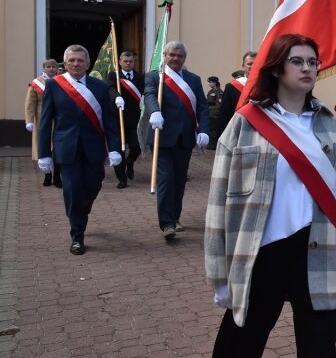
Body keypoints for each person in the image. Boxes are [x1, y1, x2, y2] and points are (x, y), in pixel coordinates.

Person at [205, 33, 336, 358]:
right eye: (297, 61)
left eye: (312, 62)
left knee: (320, 346)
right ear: (276, 68)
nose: (308, 68)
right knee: (245, 333)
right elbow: (218, 202)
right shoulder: (246, 122)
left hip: (316, 247)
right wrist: (219, 275)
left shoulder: (326, 122)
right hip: (262, 249)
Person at [37, 45, 122, 255]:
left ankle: (81, 214)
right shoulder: (55, 86)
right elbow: (46, 122)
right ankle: (77, 235)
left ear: (87, 63)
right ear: (65, 63)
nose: (76, 64)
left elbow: (110, 121)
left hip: (94, 148)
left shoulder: (100, 87)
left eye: (80, 60)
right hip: (67, 148)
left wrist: (115, 149)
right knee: (72, 190)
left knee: (93, 186)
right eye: (72, 60)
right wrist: (44, 154)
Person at [144, 40, 210, 239]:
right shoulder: (154, 77)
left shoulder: (193, 79)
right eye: (171, 55)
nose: (175, 58)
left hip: (184, 138)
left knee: (179, 180)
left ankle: (175, 216)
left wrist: (204, 130)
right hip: (162, 135)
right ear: (164, 56)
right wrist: (154, 111)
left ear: (184, 58)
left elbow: (202, 107)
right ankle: (167, 224)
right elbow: (149, 95)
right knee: (166, 180)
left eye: (179, 56)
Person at [107, 51, 145, 189]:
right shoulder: (114, 75)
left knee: (137, 147)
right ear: (120, 62)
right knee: (119, 149)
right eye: (125, 61)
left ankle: (129, 163)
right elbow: (110, 88)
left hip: (135, 120)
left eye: (131, 61)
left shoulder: (141, 76)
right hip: (118, 119)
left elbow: (145, 92)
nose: (128, 63)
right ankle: (122, 179)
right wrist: (116, 96)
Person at [25, 58, 59, 186]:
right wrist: (29, 120)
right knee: (44, 147)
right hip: (42, 121)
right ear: (43, 69)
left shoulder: (61, 81)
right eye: (48, 67)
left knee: (58, 148)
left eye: (54, 67)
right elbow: (30, 104)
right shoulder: (36, 83)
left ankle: (57, 176)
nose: (51, 69)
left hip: (58, 119)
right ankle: (47, 175)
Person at [217, 51, 256, 136]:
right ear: (243, 66)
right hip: (238, 132)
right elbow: (224, 116)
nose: (253, 66)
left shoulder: (267, 86)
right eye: (249, 64)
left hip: (260, 133)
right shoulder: (232, 87)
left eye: (256, 63)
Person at [206, 76, 223, 150]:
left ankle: (213, 145)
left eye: (210, 82)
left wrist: (210, 109)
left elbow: (219, 105)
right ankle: (210, 143)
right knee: (210, 129)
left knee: (214, 130)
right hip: (210, 113)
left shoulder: (219, 92)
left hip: (215, 114)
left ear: (215, 83)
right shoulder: (211, 91)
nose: (209, 84)